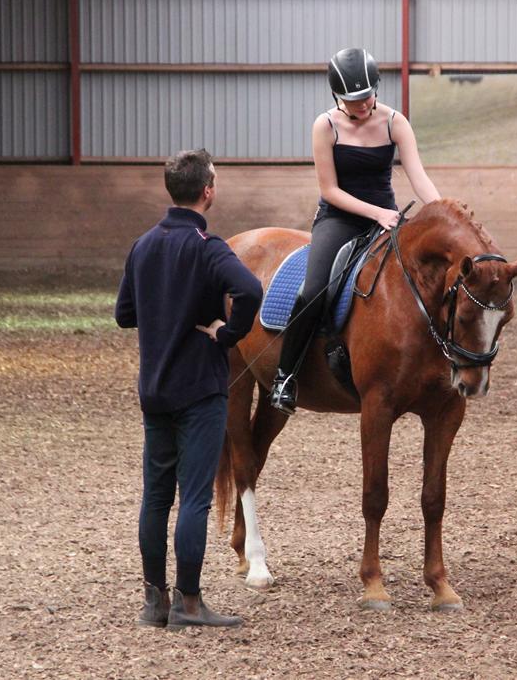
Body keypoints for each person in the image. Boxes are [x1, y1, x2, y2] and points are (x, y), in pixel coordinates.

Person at [115, 149, 263, 629]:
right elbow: (251, 292)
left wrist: (163, 313)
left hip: (154, 389)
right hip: (199, 389)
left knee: (155, 496)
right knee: (194, 497)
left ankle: (154, 602)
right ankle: (190, 603)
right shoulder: (208, 246)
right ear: (207, 190)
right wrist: (226, 333)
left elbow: (124, 314)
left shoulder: (142, 245)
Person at [269, 47, 442, 415]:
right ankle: (286, 375)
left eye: (366, 97)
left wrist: (442, 212)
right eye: (352, 100)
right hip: (339, 218)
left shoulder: (396, 122)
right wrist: (377, 212)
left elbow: (418, 175)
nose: (362, 106)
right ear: (337, 97)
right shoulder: (325, 126)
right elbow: (330, 189)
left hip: (388, 218)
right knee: (313, 290)